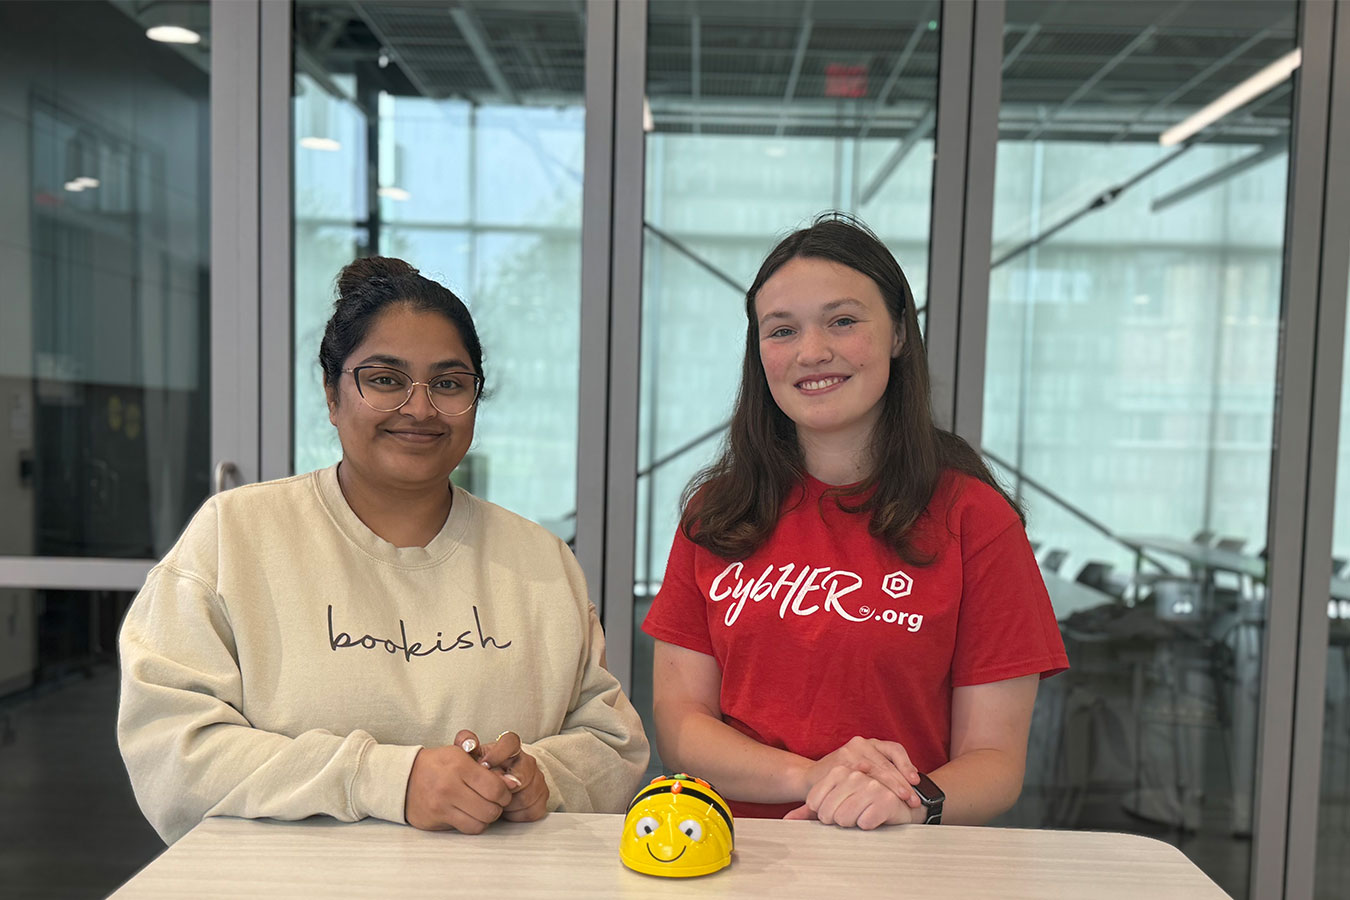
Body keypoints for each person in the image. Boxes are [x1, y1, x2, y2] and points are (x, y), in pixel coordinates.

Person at [118, 257, 649, 843]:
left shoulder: (540, 561)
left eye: (448, 383)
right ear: (332, 393)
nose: (419, 409)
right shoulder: (236, 537)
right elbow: (172, 748)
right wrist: (390, 778)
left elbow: (611, 741)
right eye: (385, 379)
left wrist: (542, 778)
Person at [642, 214, 1068, 829]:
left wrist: (906, 801)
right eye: (782, 330)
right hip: (736, 857)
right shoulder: (717, 512)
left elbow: (995, 760)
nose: (812, 352)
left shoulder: (974, 519)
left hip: (898, 858)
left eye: (842, 321)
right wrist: (813, 779)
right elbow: (682, 726)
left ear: (898, 332)